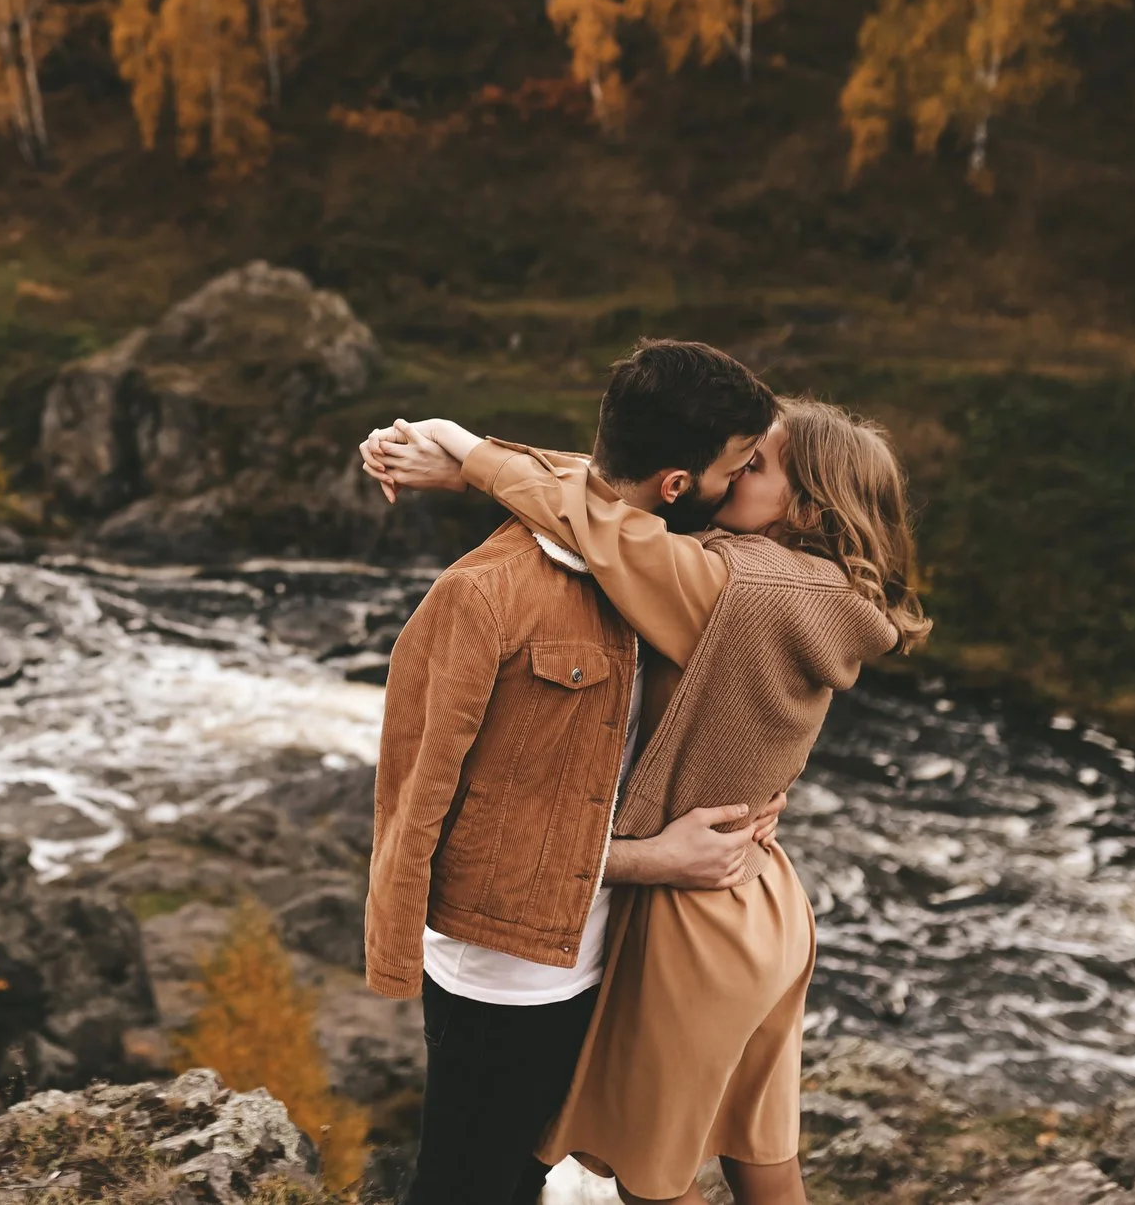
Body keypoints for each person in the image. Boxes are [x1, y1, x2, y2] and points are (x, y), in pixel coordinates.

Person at [363, 396, 929, 1205]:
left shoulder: (734, 584)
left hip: (689, 922)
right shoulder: (825, 592)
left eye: (753, 464)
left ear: (807, 506)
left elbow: (608, 515)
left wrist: (469, 455)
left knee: (652, 1185)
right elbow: (625, 490)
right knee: (766, 1165)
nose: (730, 472)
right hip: (763, 900)